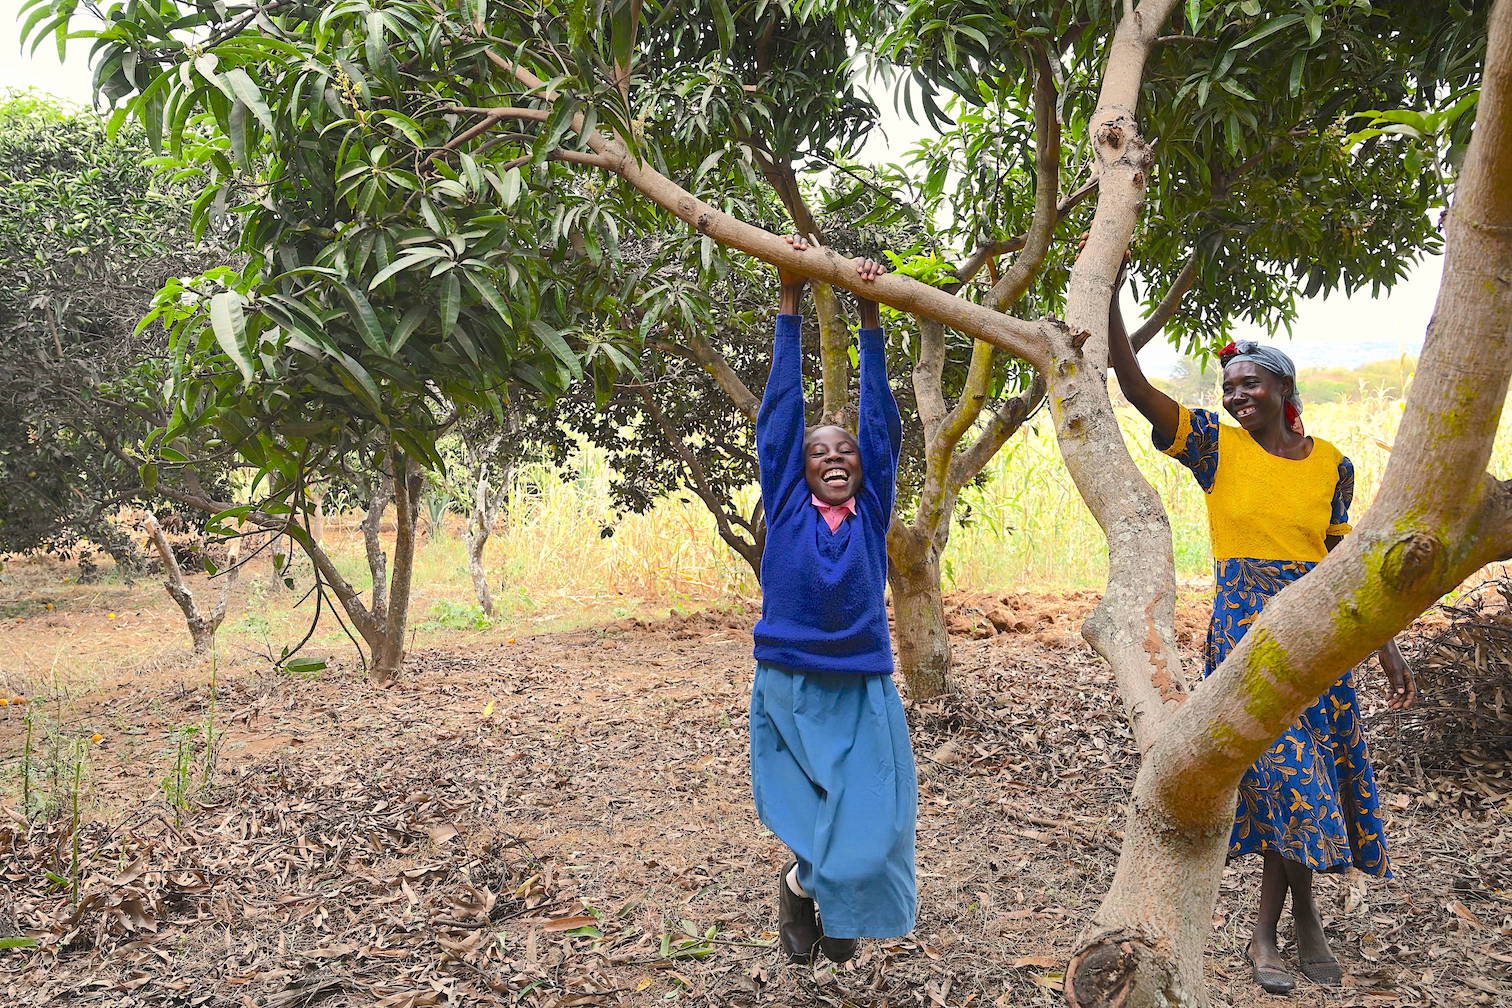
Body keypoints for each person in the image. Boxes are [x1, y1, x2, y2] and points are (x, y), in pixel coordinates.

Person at [1106, 265, 1417, 995]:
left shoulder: (1332, 464)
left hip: (1323, 636)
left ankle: (1287, 926)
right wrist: (1112, 300)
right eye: (1229, 387)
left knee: (1301, 785)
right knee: (1288, 779)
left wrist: (1385, 643)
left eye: (1250, 384)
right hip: (1248, 635)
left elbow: (1345, 560)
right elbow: (1134, 387)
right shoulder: (1215, 447)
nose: (1236, 395)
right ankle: (1274, 932)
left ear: (1284, 389)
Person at [749, 235, 916, 966]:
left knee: (874, 818)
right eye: (821, 452)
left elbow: (881, 427)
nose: (836, 458)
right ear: (801, 469)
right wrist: (789, 297)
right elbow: (783, 412)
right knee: (803, 806)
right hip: (788, 681)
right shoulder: (785, 502)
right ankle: (807, 884)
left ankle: (823, 892)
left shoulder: (873, 506)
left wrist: (871, 316)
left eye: (844, 451)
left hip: (861, 685)